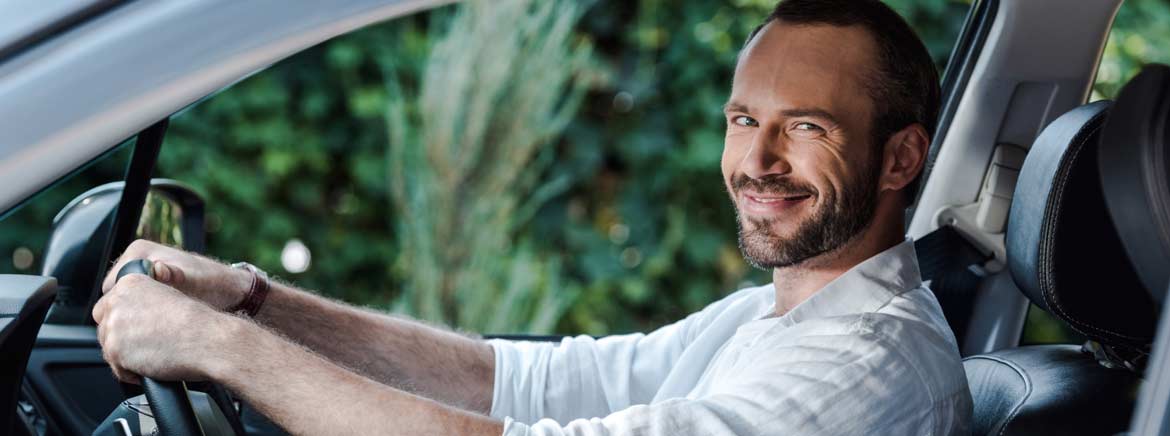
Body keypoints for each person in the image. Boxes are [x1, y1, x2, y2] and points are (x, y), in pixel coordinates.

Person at [93, 0, 973, 434]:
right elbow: (522, 385)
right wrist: (253, 303)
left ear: (900, 158)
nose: (756, 163)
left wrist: (218, 349)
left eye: (806, 128)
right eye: (745, 121)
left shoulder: (866, 368)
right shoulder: (777, 315)